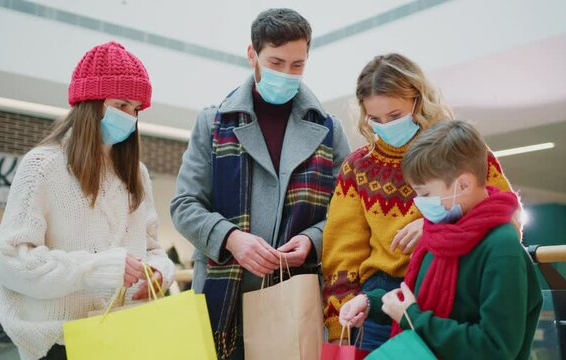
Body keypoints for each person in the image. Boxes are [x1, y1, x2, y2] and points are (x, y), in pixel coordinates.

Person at [169, 8, 350, 360]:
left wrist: (312, 241)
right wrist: (232, 239)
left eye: (297, 65)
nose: (286, 73)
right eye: (276, 62)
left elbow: (347, 213)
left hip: (294, 302)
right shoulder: (213, 123)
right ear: (252, 54)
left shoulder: (330, 130)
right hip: (223, 304)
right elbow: (184, 205)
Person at [0, 41, 175, 360]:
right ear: (91, 102)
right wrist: (93, 269)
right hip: (60, 343)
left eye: (136, 109)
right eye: (121, 104)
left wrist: (159, 272)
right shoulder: (43, 166)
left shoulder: (137, 174)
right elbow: (12, 260)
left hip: (126, 336)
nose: (130, 118)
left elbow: (152, 249)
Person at [322, 53, 518, 350]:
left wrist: (429, 228)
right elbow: (342, 254)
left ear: (419, 100)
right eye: (375, 119)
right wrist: (340, 325)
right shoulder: (358, 167)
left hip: (448, 284)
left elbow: (504, 215)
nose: (385, 125)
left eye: (395, 115)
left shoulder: (461, 149)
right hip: (377, 301)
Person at [339, 120, 542, 359]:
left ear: (463, 184)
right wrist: (372, 302)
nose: (419, 202)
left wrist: (411, 317)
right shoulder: (439, 234)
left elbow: (495, 347)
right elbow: (424, 300)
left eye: (425, 194)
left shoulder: (502, 248)